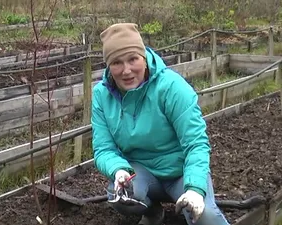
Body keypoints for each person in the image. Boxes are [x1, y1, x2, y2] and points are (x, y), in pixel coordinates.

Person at [91, 23, 230, 225]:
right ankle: (152, 213)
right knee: (119, 194)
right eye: (117, 63)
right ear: (108, 67)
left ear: (144, 58)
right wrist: (119, 170)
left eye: (133, 59)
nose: (126, 70)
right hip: (141, 172)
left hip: (180, 173)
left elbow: (196, 144)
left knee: (204, 217)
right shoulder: (102, 96)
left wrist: (195, 189)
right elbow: (103, 148)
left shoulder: (172, 87)